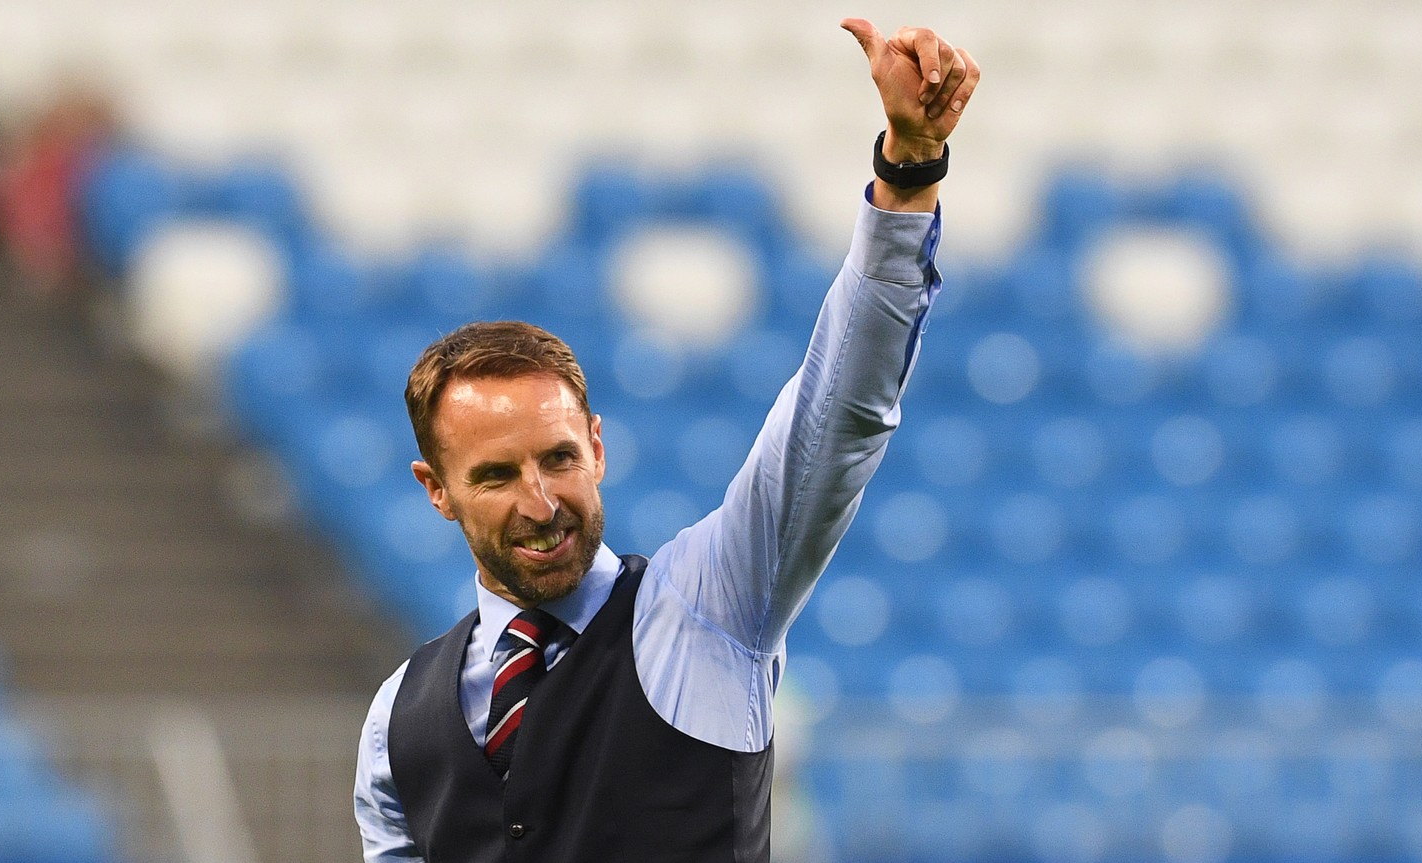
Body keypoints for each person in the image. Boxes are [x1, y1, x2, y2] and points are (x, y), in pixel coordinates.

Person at [355, 18, 979, 863]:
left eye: (560, 458)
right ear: (436, 488)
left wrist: (907, 176)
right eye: (498, 473)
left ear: (598, 447)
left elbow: (839, 416)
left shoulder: (714, 605)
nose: (542, 502)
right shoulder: (398, 719)